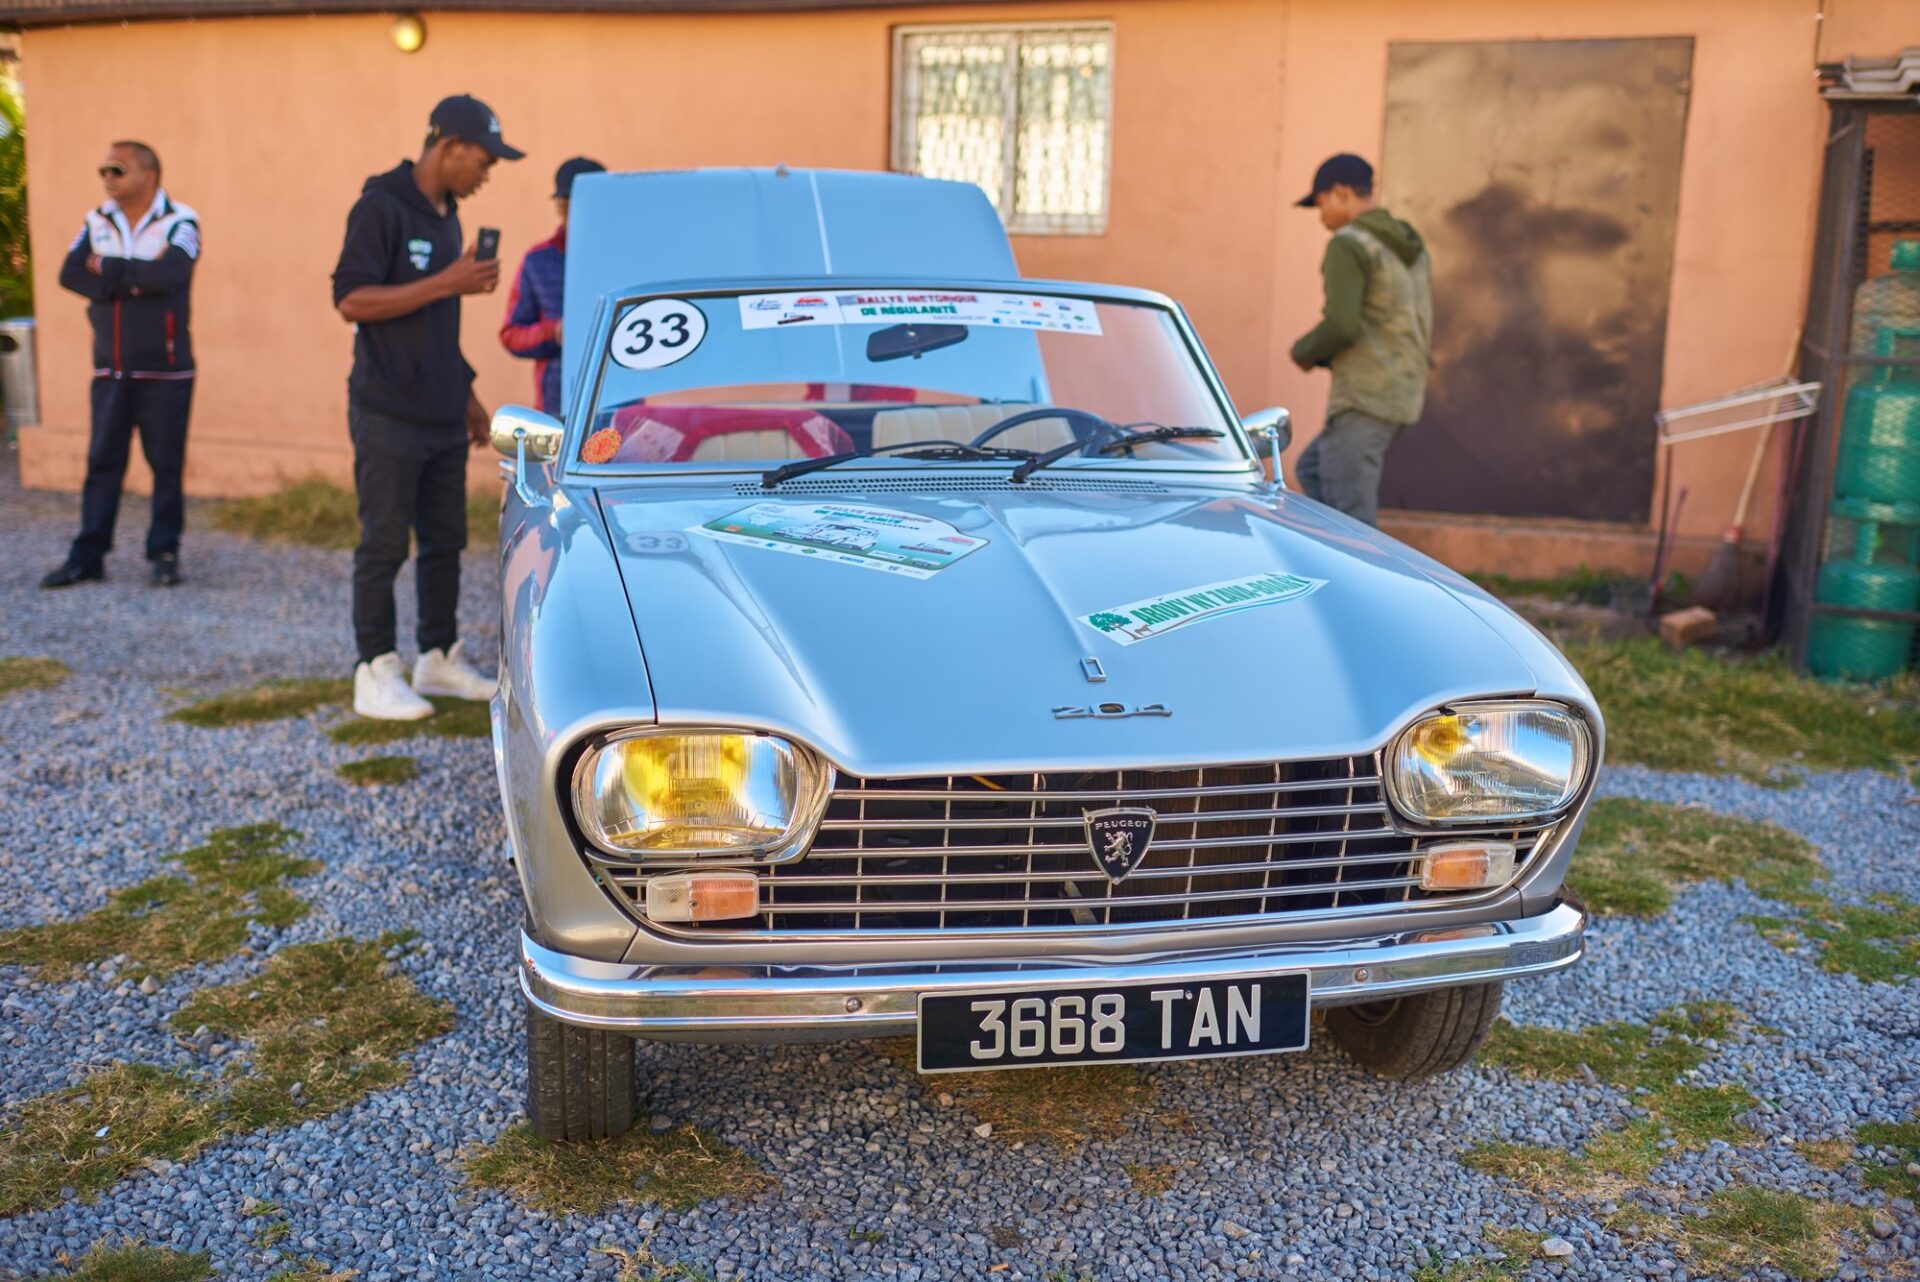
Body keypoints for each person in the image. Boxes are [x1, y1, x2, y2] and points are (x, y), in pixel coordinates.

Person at [331, 94, 522, 720]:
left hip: (440, 412)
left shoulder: (448, 219)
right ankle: (374, 669)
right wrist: (451, 280)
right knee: (384, 542)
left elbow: (437, 322)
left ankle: (436, 658)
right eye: (483, 160)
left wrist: (466, 398)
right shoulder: (380, 206)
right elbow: (353, 300)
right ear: (449, 148)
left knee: (445, 541)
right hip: (387, 410)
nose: (486, 174)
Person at [43, 141, 200, 589]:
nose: (107, 178)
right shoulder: (97, 220)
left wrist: (106, 267)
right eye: (104, 170)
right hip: (109, 369)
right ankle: (88, 556)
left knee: (165, 465)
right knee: (103, 463)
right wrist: (130, 281)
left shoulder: (182, 221)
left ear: (148, 176)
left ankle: (164, 553)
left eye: (117, 170)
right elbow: (70, 274)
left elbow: (170, 276)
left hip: (166, 371)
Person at [1289, 153, 1432, 527]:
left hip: (1365, 394)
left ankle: (1356, 580)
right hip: (1402, 392)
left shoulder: (1349, 244)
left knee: (1352, 522)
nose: (1321, 217)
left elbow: (1341, 325)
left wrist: (1303, 352)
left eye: (1320, 204)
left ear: (1340, 193)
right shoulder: (1407, 245)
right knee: (1314, 469)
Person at [501, 155, 604, 416]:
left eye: (589, 205)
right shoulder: (537, 260)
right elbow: (512, 334)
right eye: (568, 206)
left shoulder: (625, 257)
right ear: (560, 206)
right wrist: (554, 332)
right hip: (557, 406)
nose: (577, 215)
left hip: (619, 403)